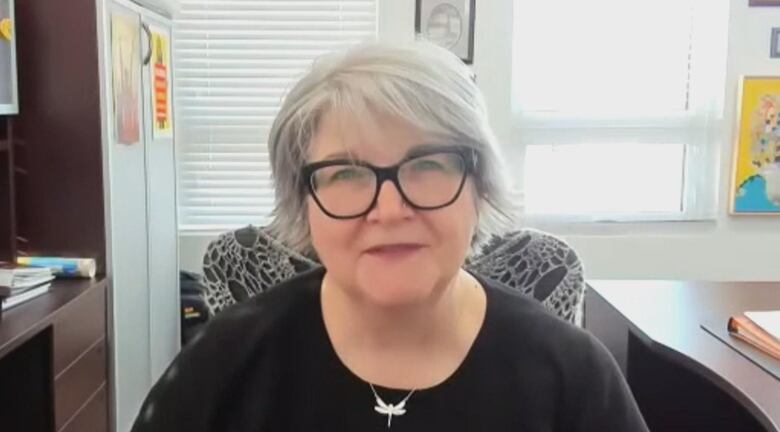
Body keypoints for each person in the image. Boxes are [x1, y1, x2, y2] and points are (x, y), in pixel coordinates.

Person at [130, 42, 649, 431]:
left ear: (479, 184)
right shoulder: (227, 363)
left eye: (427, 165)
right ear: (304, 200)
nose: (390, 207)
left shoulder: (575, 377)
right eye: (347, 173)